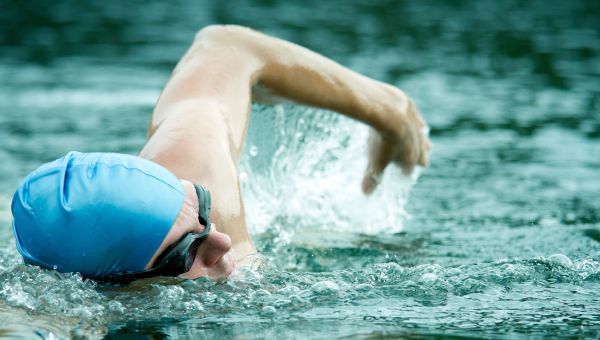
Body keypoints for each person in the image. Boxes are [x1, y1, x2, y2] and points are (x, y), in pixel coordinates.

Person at [11, 25, 430, 283]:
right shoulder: (56, 313)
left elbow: (226, 46)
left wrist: (392, 114)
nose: (222, 241)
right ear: (109, 285)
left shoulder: (201, 177)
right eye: (183, 251)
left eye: (201, 214)